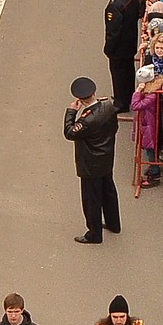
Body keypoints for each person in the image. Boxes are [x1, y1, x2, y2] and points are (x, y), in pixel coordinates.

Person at [64, 75, 121, 244]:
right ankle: (113, 223)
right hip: (106, 157)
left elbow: (70, 133)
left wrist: (71, 112)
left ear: (80, 100)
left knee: (91, 199)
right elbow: (114, 128)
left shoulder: (87, 120)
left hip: (90, 163)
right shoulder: (108, 106)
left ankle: (94, 233)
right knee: (109, 191)